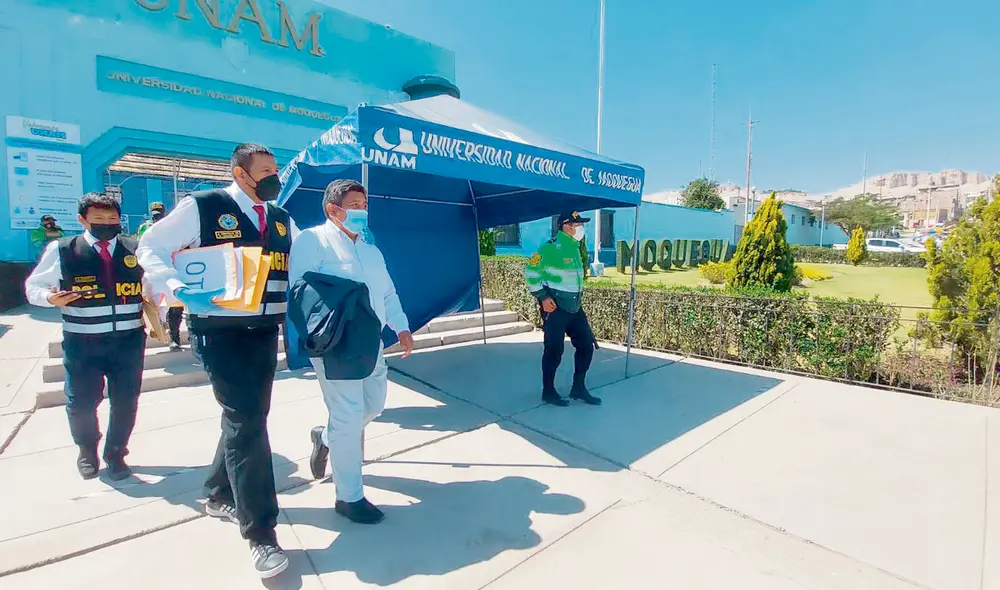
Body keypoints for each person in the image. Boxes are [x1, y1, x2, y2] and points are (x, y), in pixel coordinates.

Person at [136, 143, 299, 579]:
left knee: (246, 417)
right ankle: (261, 534)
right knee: (247, 420)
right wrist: (174, 285)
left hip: (264, 332)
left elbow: (304, 265)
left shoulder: (282, 220)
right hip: (219, 332)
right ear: (240, 173)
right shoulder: (204, 207)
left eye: (275, 170)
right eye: (264, 171)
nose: (273, 178)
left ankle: (216, 492)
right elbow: (149, 246)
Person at [292, 179, 414, 525]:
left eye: (364, 204)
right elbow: (301, 291)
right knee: (347, 414)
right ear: (333, 209)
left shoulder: (370, 250)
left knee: (373, 406)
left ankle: (326, 437)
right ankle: (349, 497)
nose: (362, 210)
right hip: (336, 344)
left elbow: (388, 293)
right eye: (355, 205)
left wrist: (401, 326)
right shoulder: (312, 241)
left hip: (370, 341)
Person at [24, 193, 146, 480]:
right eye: (99, 219)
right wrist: (49, 298)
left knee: (126, 401)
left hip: (128, 340)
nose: (107, 224)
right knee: (81, 402)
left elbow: (151, 283)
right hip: (83, 341)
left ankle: (116, 453)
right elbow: (34, 286)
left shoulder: (135, 248)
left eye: (113, 219)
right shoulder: (64, 249)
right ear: (82, 219)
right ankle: (87, 449)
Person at [524, 211, 602, 407]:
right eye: (578, 225)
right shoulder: (550, 248)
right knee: (554, 350)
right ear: (566, 226)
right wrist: (542, 297)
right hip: (555, 307)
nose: (581, 228)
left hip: (574, 307)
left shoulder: (574, 247)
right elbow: (531, 272)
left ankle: (578, 388)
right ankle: (548, 391)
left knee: (586, 345)